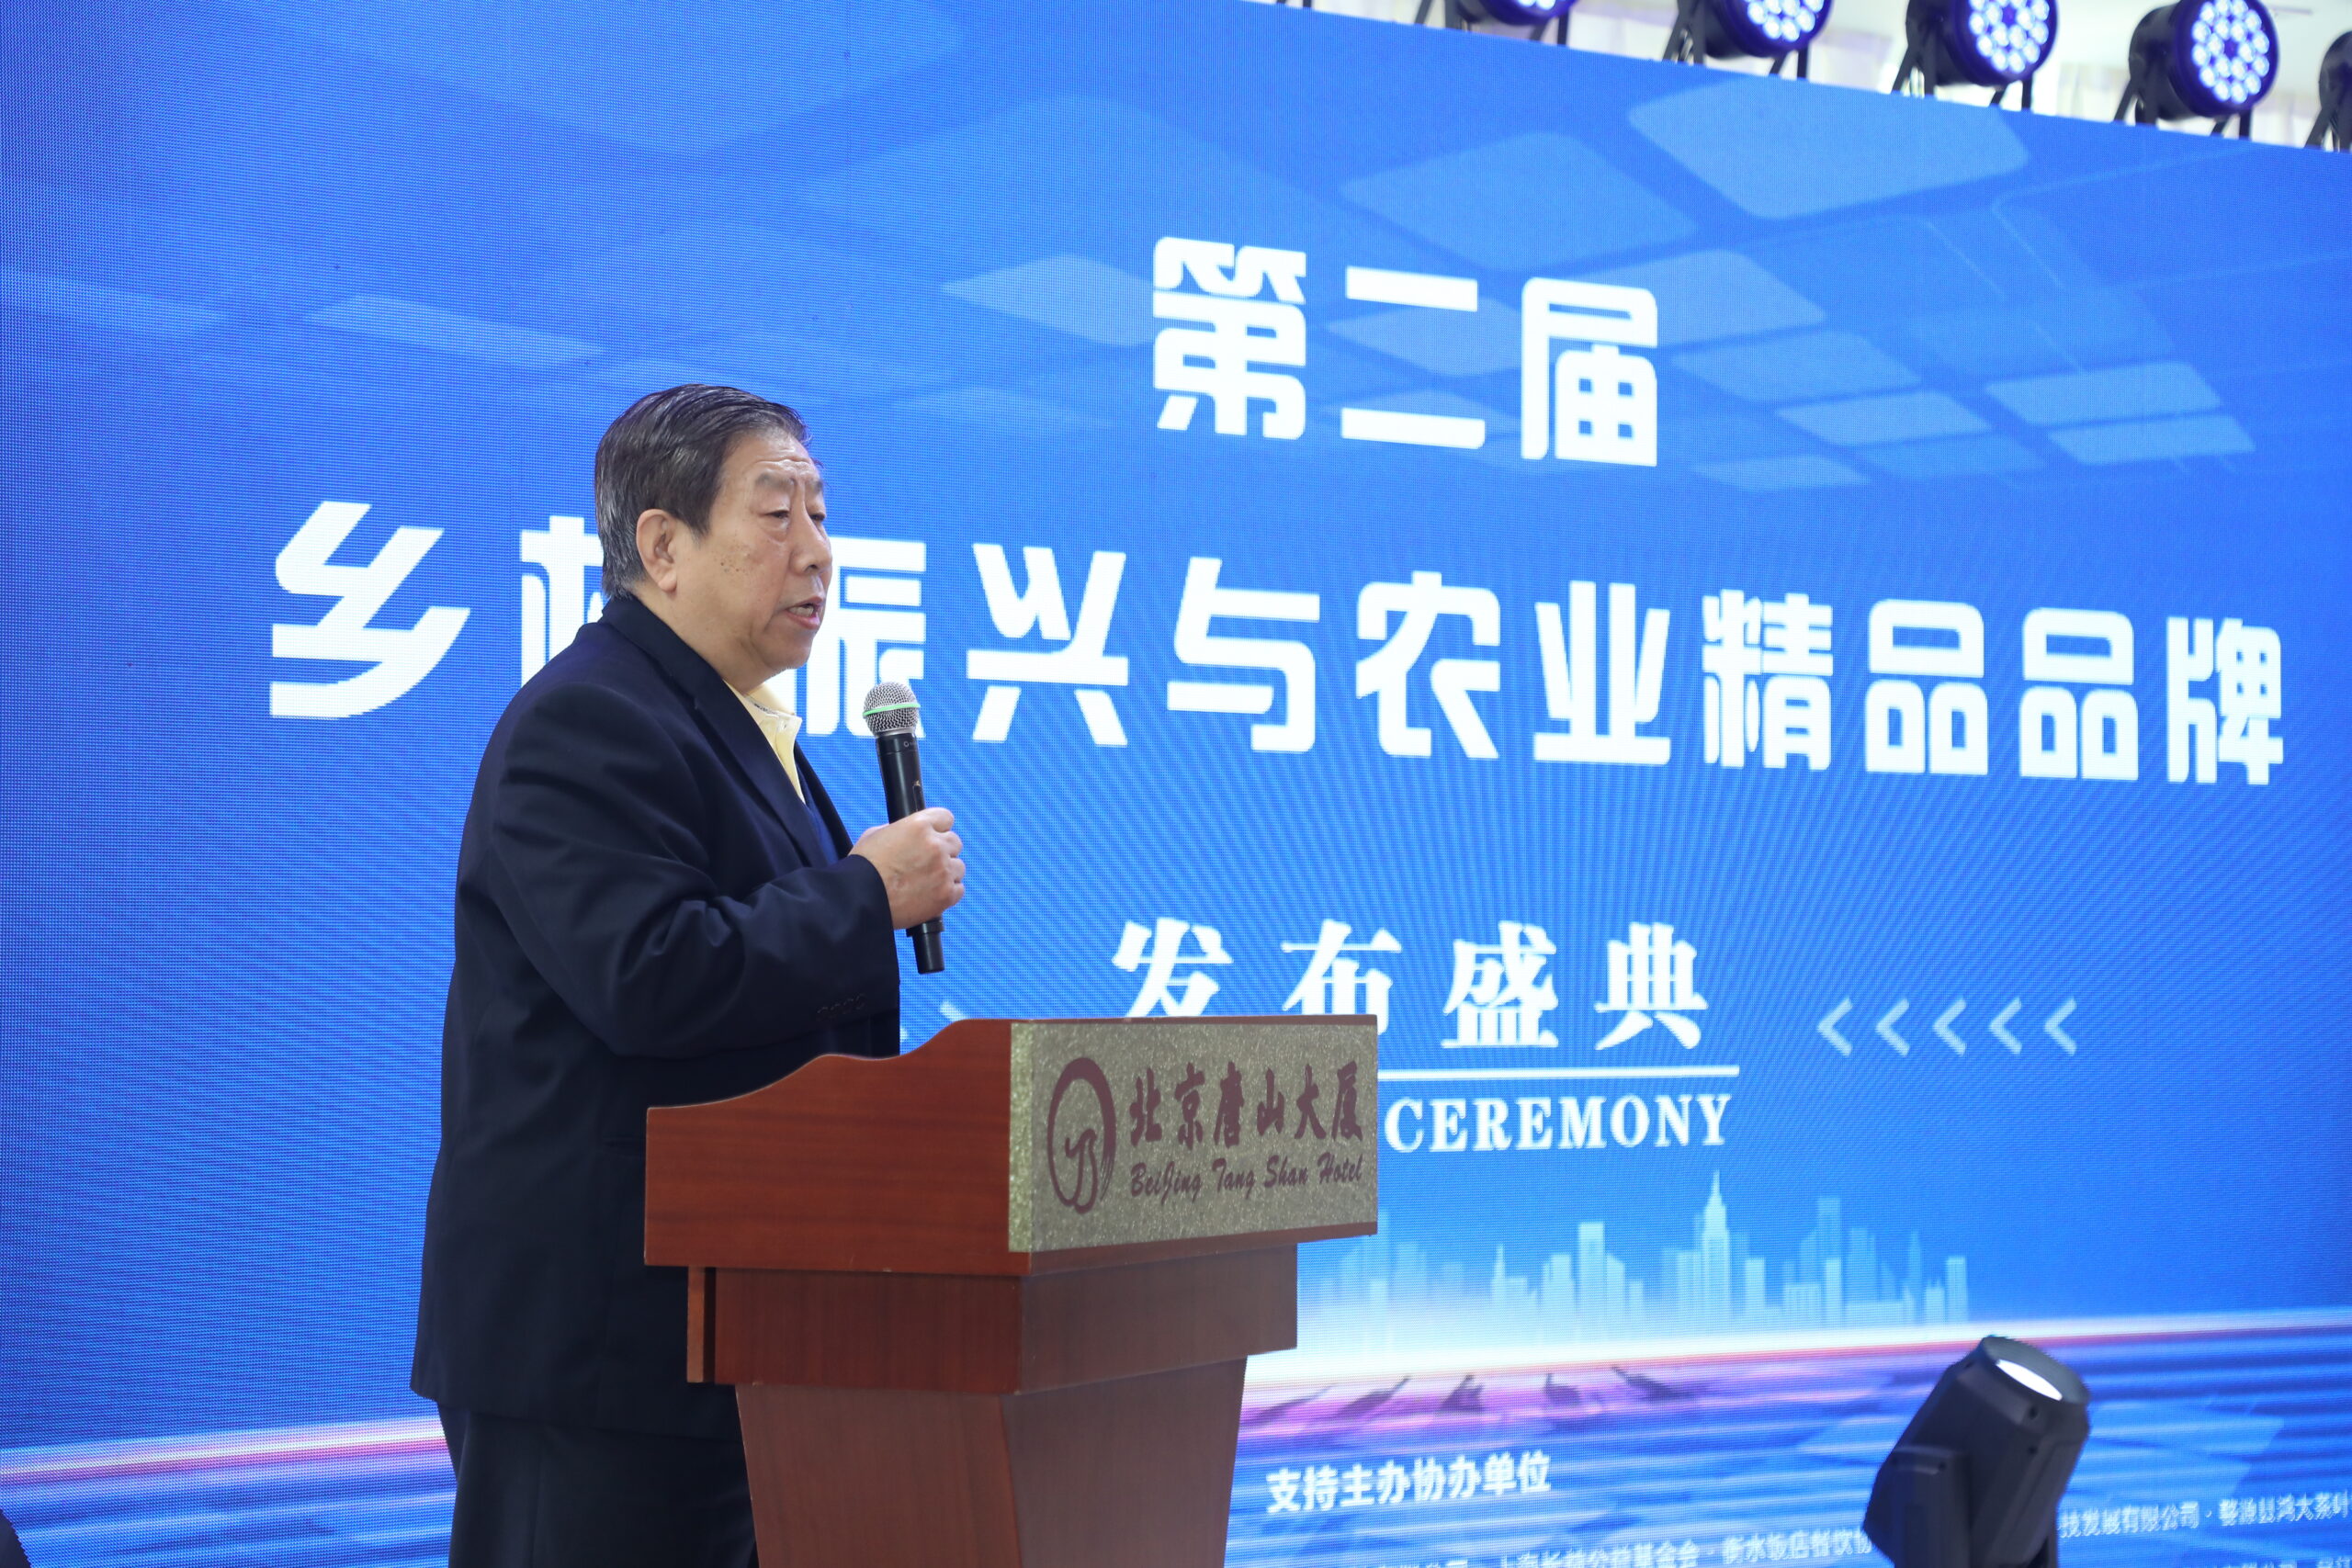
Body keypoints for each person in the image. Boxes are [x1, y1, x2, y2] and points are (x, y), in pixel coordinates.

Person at [411, 385, 965, 1566]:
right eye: (776, 513)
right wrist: (865, 895)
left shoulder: (727, 719)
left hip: (732, 1333)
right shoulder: (587, 719)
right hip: (602, 1354)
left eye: (822, 514)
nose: (817, 551)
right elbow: (648, 972)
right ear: (662, 547)